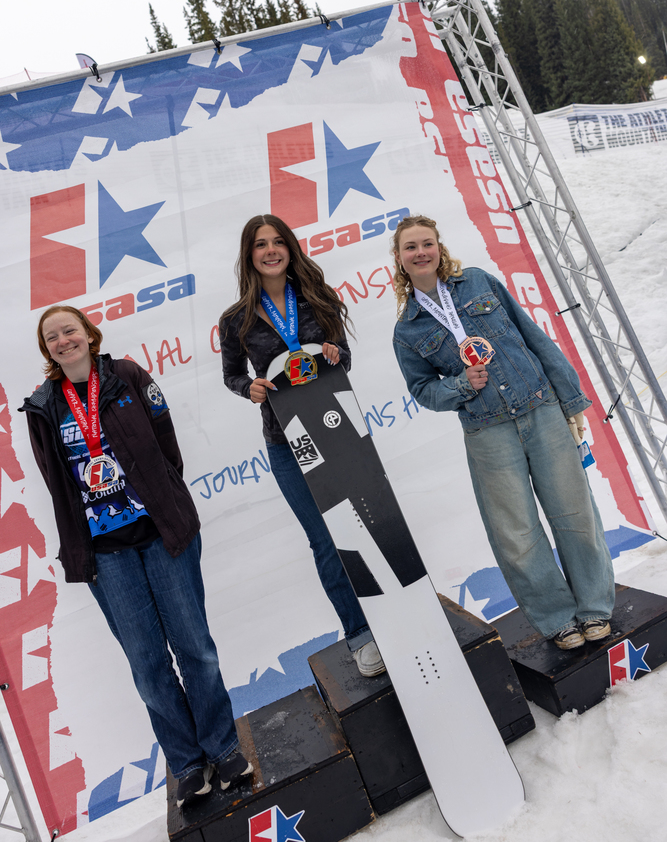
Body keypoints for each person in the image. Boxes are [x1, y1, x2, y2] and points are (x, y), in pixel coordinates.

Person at [20, 307, 252, 807]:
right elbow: (57, 486)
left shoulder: (127, 376)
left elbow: (167, 443)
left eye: (69, 331)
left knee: (195, 649)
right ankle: (188, 764)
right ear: (47, 350)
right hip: (107, 556)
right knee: (148, 667)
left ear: (88, 334)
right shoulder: (43, 407)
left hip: (162, 535)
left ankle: (224, 748)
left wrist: (164, 495)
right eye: (52, 337)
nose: (63, 341)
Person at [390, 215, 615, 650]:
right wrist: (458, 385)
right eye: (410, 247)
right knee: (515, 531)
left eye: (427, 243)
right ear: (399, 259)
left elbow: (534, 338)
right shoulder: (408, 330)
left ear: (439, 247)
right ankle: (556, 618)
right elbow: (422, 390)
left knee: (574, 513)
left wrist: (570, 401)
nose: (420, 252)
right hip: (487, 430)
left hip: (541, 408)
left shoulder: (478, 282)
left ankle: (594, 608)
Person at [219, 214, 384, 677]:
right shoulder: (235, 320)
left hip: (338, 427)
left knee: (371, 521)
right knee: (326, 540)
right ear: (248, 255)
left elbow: (343, 356)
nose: (270, 251)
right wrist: (246, 388)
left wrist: (334, 354)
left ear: (290, 248)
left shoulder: (317, 297)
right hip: (287, 442)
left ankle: (396, 611)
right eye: (260, 244)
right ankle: (360, 634)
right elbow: (232, 375)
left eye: (278, 242)